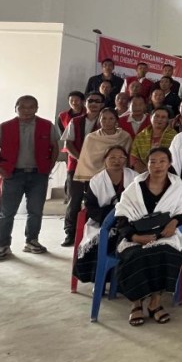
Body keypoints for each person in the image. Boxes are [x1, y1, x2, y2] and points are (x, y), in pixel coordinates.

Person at [113, 147, 182, 326]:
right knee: (135, 255)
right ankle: (136, 304)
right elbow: (122, 218)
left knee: (167, 254)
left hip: (163, 235)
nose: (158, 165)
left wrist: (173, 223)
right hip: (135, 236)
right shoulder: (136, 186)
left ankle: (155, 302)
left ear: (169, 164)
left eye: (162, 161)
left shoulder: (177, 185)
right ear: (147, 164)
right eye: (153, 161)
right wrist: (136, 238)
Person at [0, 96, 60, 261]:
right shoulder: (4, 127)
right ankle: (3, 246)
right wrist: (0, 170)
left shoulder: (47, 126)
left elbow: (55, 148)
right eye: (22, 107)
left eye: (31, 107)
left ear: (37, 108)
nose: (27, 111)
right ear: (16, 108)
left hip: (38, 175)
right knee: (6, 212)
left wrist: (48, 168)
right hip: (13, 175)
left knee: (35, 211)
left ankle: (32, 241)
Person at [72, 146, 137, 284]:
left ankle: (123, 281)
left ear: (126, 160)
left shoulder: (135, 177)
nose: (116, 161)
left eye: (121, 157)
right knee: (103, 240)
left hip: (131, 220)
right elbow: (90, 207)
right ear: (105, 160)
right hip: (103, 221)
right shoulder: (96, 180)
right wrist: (110, 219)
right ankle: (100, 279)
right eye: (112, 157)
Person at [60, 92, 104, 246]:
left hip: (99, 168)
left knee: (96, 200)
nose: (94, 104)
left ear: (102, 105)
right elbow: (68, 144)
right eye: (90, 101)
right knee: (75, 199)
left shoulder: (107, 121)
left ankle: (91, 233)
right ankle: (70, 233)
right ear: (85, 103)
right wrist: (82, 159)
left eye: (97, 101)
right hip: (76, 166)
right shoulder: (75, 121)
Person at [72, 108, 134, 184]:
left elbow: (128, 158)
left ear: (116, 120)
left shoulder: (125, 136)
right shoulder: (91, 138)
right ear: (99, 120)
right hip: (95, 178)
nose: (107, 122)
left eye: (111, 118)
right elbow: (87, 161)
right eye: (104, 118)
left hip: (120, 177)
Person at [130, 107, 177, 173]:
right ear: (150, 118)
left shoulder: (174, 136)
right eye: (157, 116)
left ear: (167, 120)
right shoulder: (141, 135)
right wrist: (146, 171)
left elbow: (177, 158)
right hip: (144, 173)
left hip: (168, 172)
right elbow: (134, 157)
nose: (159, 119)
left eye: (163, 117)